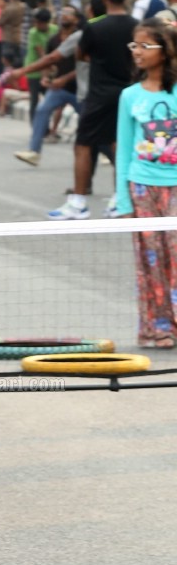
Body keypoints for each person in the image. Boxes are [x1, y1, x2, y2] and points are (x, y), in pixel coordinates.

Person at [48, 0, 135, 221]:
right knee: (121, 146)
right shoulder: (136, 25)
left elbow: (81, 55)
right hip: (126, 92)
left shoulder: (94, 28)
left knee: (83, 145)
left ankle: (78, 202)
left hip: (98, 95)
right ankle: (120, 199)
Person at [115, 19, 177, 346]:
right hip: (142, 187)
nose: (137, 52)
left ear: (164, 52)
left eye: (144, 46)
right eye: (133, 46)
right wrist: (123, 202)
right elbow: (124, 149)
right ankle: (158, 326)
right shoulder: (129, 96)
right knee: (150, 259)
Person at [8, 6, 83, 163]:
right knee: (42, 110)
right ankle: (34, 151)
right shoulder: (53, 40)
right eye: (62, 13)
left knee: (91, 121)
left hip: (79, 89)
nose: (64, 16)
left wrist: (64, 79)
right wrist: (45, 77)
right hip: (58, 87)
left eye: (69, 13)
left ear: (76, 19)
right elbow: (48, 63)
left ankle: (107, 151)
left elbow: (84, 67)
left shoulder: (81, 39)